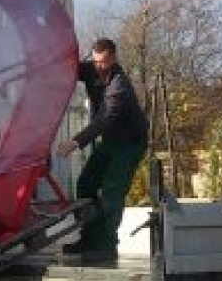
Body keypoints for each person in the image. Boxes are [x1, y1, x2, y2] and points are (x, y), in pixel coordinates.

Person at [54, 37, 150, 262]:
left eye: (104, 62)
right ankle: (88, 239)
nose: (99, 67)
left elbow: (103, 119)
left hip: (130, 143)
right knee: (85, 184)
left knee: (111, 192)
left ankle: (107, 245)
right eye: (96, 61)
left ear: (113, 58)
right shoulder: (91, 69)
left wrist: (76, 142)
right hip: (108, 140)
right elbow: (66, 66)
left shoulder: (119, 85)